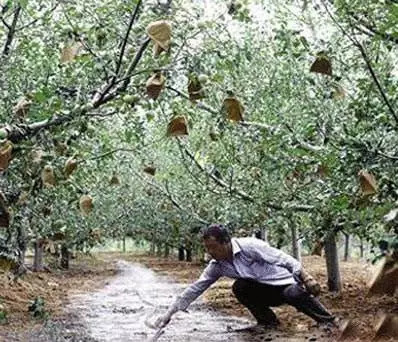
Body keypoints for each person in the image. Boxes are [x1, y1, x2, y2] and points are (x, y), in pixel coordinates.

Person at [153, 224, 337, 332]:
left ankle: (327, 321)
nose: (210, 252)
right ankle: (268, 322)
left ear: (226, 242)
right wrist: (168, 314)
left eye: (213, 247)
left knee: (293, 293)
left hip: (284, 284)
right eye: (207, 248)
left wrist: (306, 277)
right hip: (263, 291)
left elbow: (284, 258)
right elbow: (196, 288)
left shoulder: (250, 246)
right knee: (240, 287)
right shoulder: (217, 265)